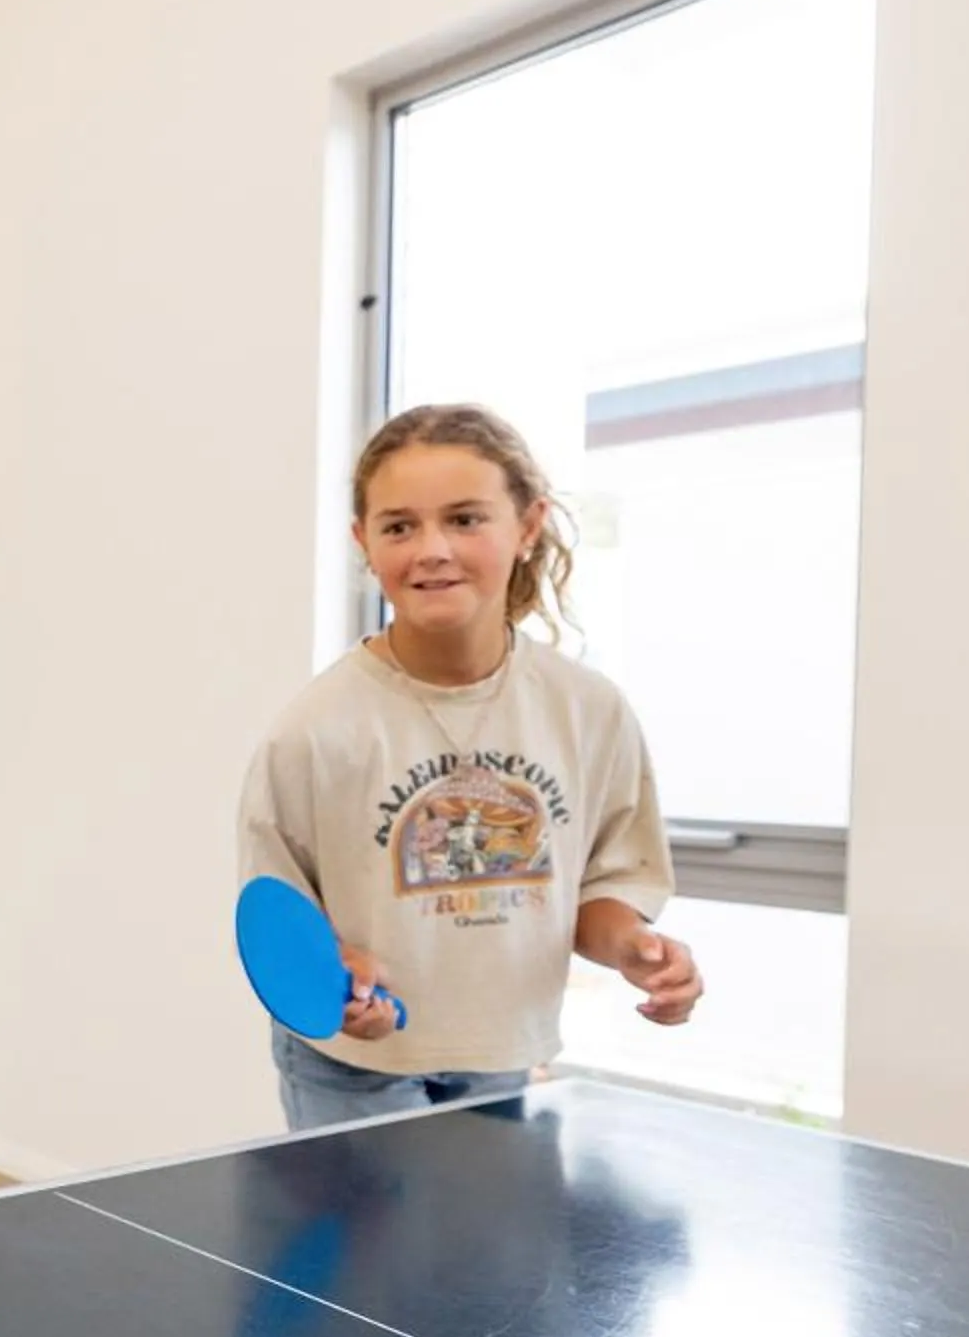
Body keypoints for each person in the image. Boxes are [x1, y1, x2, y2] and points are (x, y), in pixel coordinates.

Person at [236, 403, 700, 1130]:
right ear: (364, 542)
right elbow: (284, 914)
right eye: (399, 526)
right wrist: (341, 981)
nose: (432, 549)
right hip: (354, 1068)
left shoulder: (589, 710)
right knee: (380, 1252)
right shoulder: (313, 730)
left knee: (484, 1247)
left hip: (502, 1049)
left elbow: (605, 889)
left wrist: (637, 951)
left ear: (528, 525)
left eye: (465, 519)